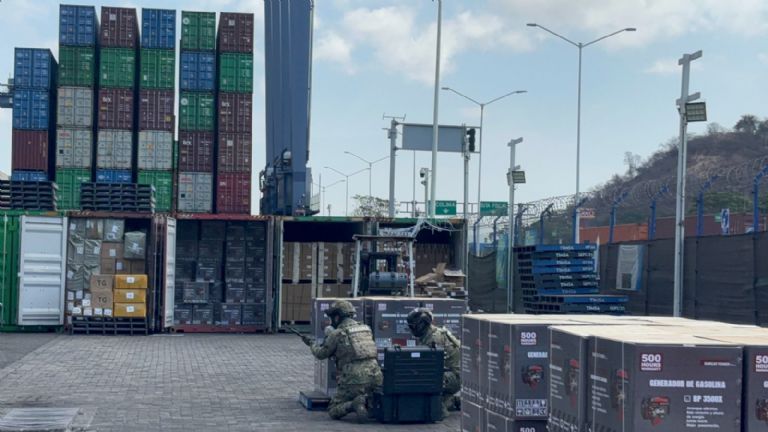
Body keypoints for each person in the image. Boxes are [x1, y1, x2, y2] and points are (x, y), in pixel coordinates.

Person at [301, 300, 382, 422]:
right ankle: (367, 404)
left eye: (332, 317)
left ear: (337, 317)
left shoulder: (337, 334)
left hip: (353, 378)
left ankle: (353, 404)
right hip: (376, 375)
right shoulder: (366, 329)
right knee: (371, 397)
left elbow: (321, 354)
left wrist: (311, 343)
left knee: (333, 410)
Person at [406, 308, 461, 414]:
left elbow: (430, 368)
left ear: (422, 325)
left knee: (425, 379)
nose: (412, 330)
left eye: (413, 326)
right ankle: (450, 400)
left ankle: (438, 411)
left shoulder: (434, 339)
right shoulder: (430, 334)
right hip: (451, 373)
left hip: (454, 376)